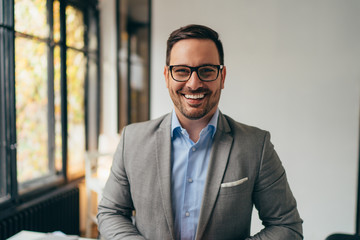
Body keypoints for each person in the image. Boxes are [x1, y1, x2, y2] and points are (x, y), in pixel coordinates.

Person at [97, 24, 303, 240]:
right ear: (167, 76)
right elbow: (111, 213)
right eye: (181, 71)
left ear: (222, 77)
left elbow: (287, 227)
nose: (194, 84)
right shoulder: (132, 140)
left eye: (206, 71)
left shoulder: (256, 145)